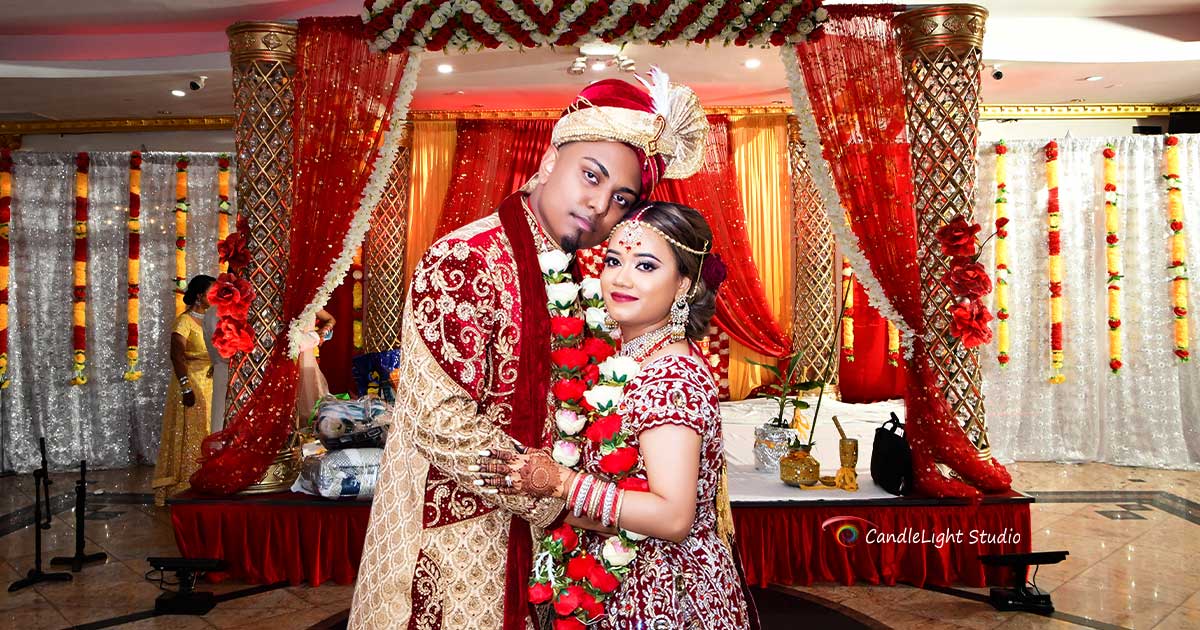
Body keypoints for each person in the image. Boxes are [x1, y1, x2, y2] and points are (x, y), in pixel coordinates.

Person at [349, 71, 709, 630]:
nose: (598, 204)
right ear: (548, 159)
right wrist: (561, 499)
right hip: (455, 540)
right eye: (591, 175)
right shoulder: (466, 259)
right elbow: (440, 421)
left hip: (537, 541)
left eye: (621, 199)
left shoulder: (575, 271)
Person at [476, 203, 756, 628]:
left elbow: (673, 517)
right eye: (613, 260)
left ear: (683, 285)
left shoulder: (671, 377)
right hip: (618, 585)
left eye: (645, 265)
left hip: (661, 596)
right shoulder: (633, 359)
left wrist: (563, 482)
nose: (621, 278)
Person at [153, 274, 217, 506]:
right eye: (212, 292)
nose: (216, 297)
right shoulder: (184, 321)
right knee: (191, 432)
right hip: (190, 382)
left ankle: (208, 478)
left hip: (211, 385)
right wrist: (185, 386)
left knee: (210, 429)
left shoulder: (213, 319)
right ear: (200, 296)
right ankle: (185, 482)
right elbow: (176, 355)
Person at [296, 308, 334, 422]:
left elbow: (331, 319)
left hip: (307, 359)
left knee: (311, 403)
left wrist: (324, 330)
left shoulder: (312, 302)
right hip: (289, 356)